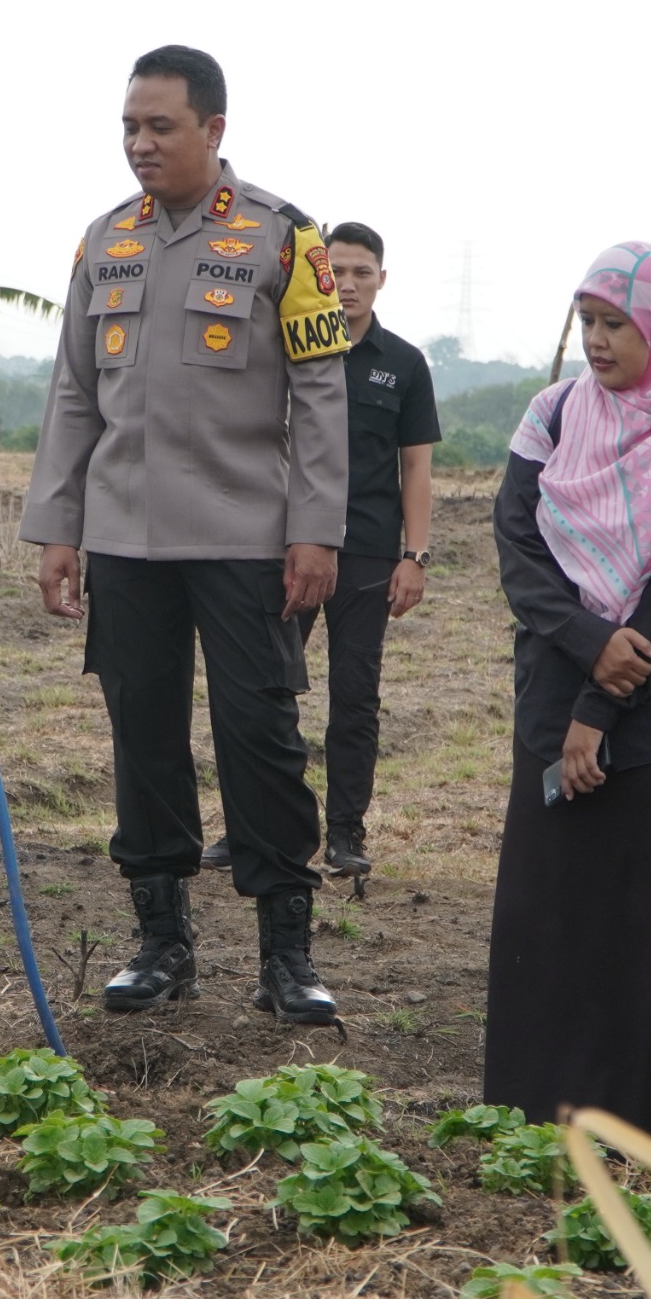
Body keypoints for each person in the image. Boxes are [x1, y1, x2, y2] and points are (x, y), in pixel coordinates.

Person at [21, 45, 353, 1024]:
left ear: (213, 131)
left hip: (248, 537)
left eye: (159, 126)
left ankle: (285, 953)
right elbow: (74, 394)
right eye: (129, 126)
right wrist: (57, 528)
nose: (140, 144)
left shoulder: (284, 239)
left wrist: (316, 532)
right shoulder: (103, 241)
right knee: (144, 737)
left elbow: (320, 396)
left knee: (260, 735)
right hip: (126, 541)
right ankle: (161, 942)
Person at [486, 242, 651, 1155]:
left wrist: (603, 703)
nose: (597, 343)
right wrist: (585, 646)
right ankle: (540, 1111)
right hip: (557, 675)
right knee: (550, 907)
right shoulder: (554, 415)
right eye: (588, 323)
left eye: (618, 326)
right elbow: (519, 547)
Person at [286, 222, 435, 878]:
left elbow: (417, 469)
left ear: (381, 278)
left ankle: (345, 833)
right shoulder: (285, 349)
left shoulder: (403, 363)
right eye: (336, 271)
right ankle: (259, 825)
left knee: (354, 697)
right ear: (318, 276)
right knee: (263, 690)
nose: (346, 284)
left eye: (360, 273)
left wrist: (416, 555)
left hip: (369, 553)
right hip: (285, 549)